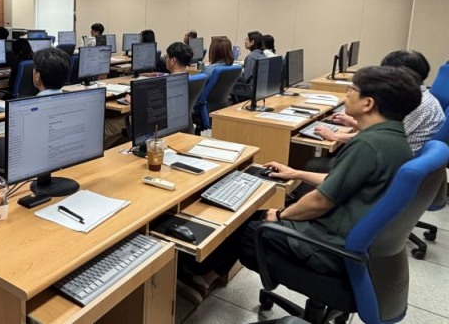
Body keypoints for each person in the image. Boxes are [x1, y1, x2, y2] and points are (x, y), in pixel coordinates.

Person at [180, 65, 422, 297]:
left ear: (368, 103)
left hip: (327, 248)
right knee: (259, 213)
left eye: (353, 90)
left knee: (247, 222)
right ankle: (209, 276)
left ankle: (198, 275)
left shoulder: (367, 145)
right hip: (351, 241)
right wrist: (294, 173)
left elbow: (320, 202)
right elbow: (340, 181)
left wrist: (282, 215)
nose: (347, 94)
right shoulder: (395, 141)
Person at [314, 49, 445, 153]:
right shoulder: (418, 96)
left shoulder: (415, 104)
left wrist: (335, 137)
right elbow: (386, 131)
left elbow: (384, 139)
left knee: (315, 164)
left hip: (395, 164)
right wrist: (353, 123)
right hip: (396, 155)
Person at [233, 31, 265, 101]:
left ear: (252, 42)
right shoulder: (263, 55)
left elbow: (245, 78)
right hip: (260, 89)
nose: (245, 41)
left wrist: (233, 75)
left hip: (249, 90)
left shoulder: (251, 57)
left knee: (227, 87)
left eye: (247, 39)